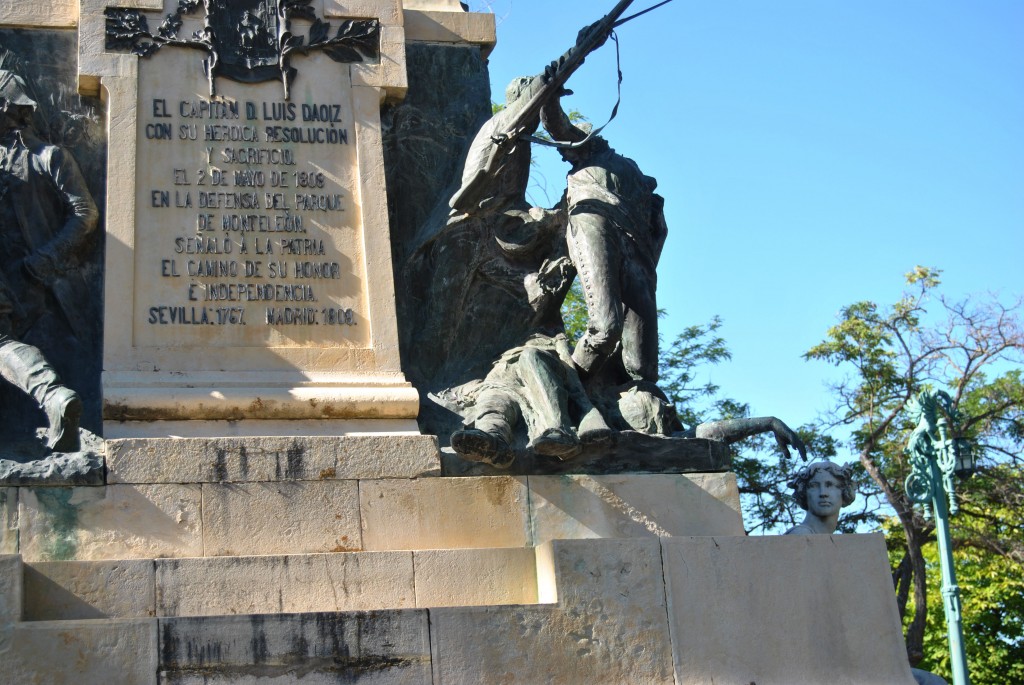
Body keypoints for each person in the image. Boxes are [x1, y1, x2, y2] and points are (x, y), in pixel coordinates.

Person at [0, 70, 98, 452]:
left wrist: (43, 260)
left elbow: (84, 214)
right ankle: (53, 400)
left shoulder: (48, 157)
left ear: (8, 108)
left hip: (31, 278)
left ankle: (54, 399)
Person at [540, 95, 666, 384]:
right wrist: (549, 91)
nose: (564, 154)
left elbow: (557, 124)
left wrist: (550, 92)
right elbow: (554, 122)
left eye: (568, 147)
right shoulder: (582, 178)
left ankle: (610, 395)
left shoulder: (608, 160)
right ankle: (570, 393)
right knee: (605, 329)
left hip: (637, 245)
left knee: (643, 368)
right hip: (594, 220)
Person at [784, 461, 857, 535]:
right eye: (814, 486)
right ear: (803, 493)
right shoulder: (801, 534)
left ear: (845, 491)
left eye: (830, 485)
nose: (823, 493)